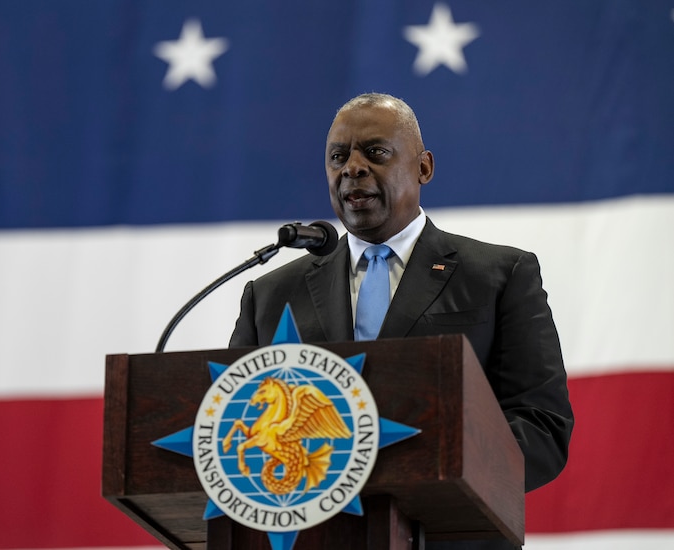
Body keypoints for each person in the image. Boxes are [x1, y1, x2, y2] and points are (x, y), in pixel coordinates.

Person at [229, 93, 574, 550]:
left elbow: (541, 426)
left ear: (423, 168)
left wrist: (426, 470)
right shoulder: (270, 296)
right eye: (337, 157)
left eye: (375, 152)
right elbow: (236, 425)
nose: (352, 167)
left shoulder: (499, 275)